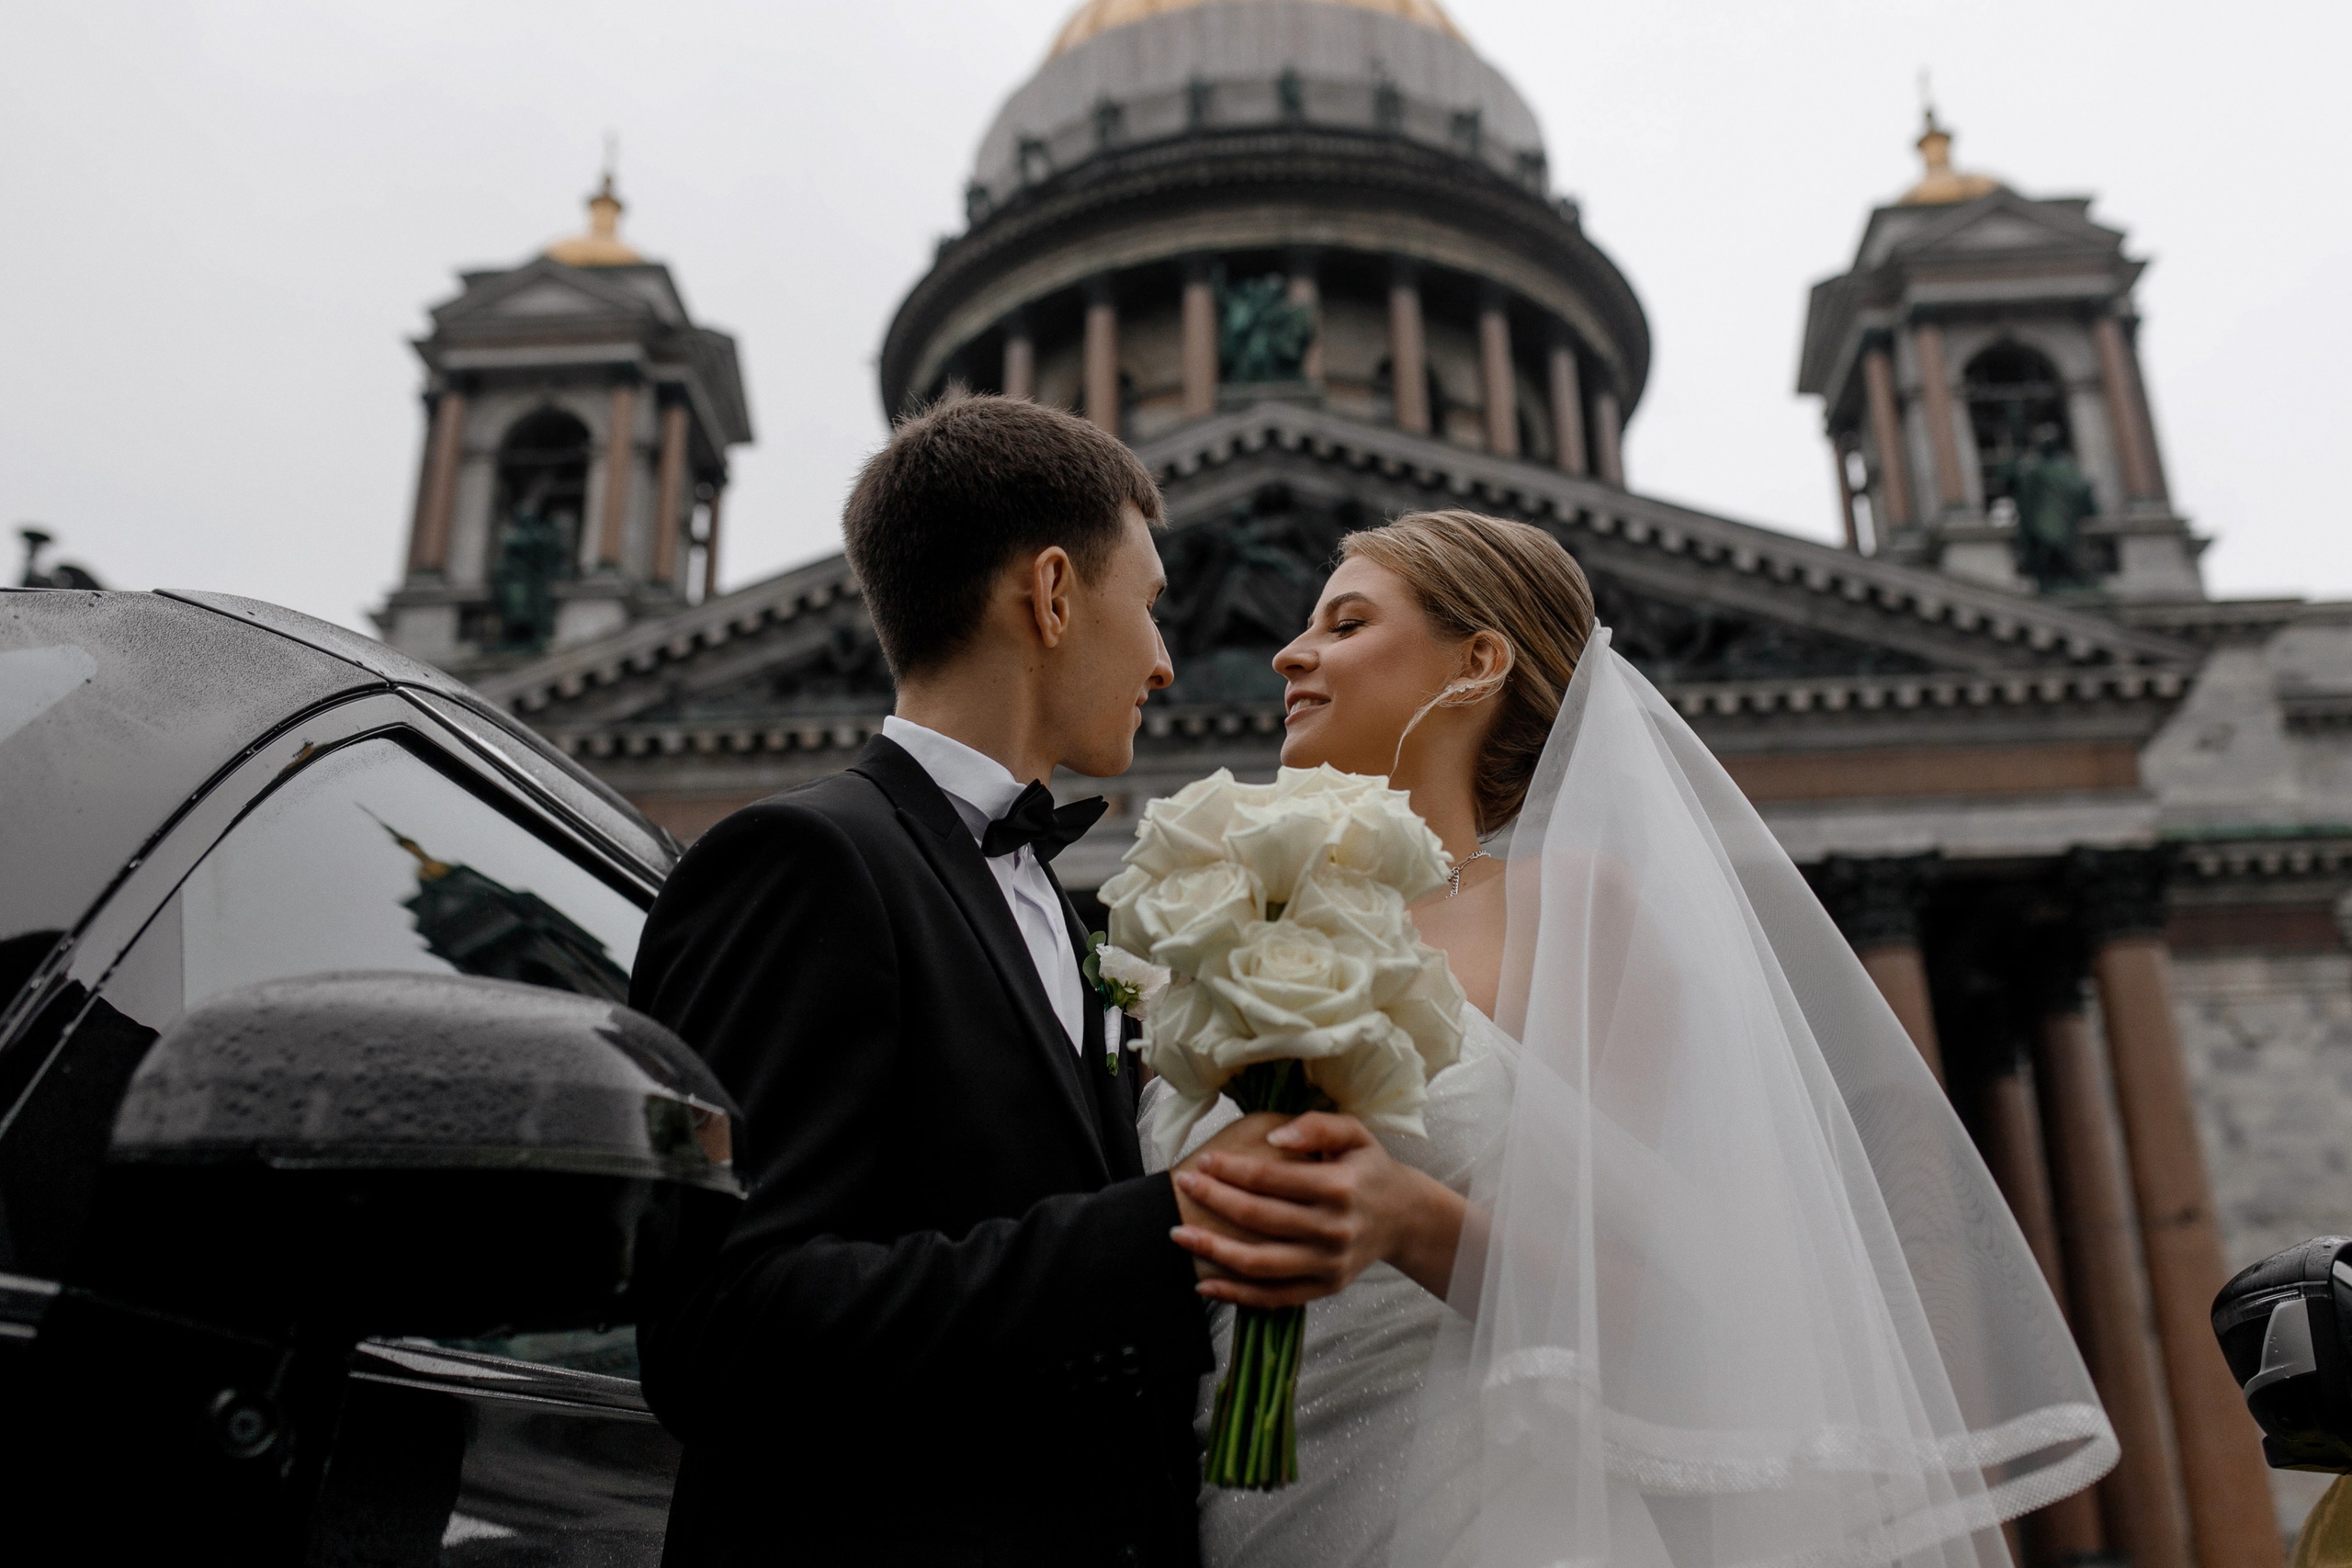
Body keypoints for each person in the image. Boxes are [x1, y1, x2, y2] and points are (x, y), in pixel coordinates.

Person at [1158, 510, 2118, 1567]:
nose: (1289, 652)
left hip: (1478, 1511)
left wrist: (1406, 1219)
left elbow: (1674, 1302)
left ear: (1477, 664)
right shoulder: (1228, 919)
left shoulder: (1574, 912)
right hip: (1229, 1500)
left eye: (1344, 623)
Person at [629, 394, 1438, 1568]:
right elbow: (724, 1332)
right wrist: (1179, 1220)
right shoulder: (803, 863)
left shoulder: (1059, 917)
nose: (1169, 659)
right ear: (1053, 595)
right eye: (1151, 604)